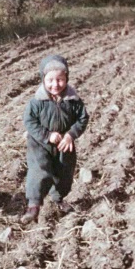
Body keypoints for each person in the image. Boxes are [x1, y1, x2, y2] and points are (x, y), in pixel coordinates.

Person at [20, 54, 89, 224]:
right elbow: (29, 121)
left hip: (64, 144)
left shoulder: (73, 101)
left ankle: (58, 199)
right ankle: (34, 205)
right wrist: (47, 135)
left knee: (65, 172)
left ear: (67, 79)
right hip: (40, 143)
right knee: (39, 170)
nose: (55, 84)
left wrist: (70, 135)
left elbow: (83, 119)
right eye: (50, 80)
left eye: (60, 80)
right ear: (43, 79)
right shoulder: (37, 102)